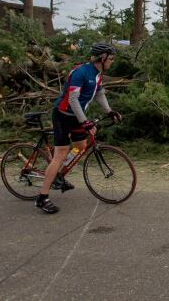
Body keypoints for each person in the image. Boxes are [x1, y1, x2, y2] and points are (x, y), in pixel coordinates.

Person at [34, 43, 122, 214]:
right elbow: (73, 100)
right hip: (63, 115)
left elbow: (99, 93)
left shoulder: (97, 74)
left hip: (76, 116)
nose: (112, 61)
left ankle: (58, 175)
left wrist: (110, 111)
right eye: (110, 58)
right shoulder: (80, 73)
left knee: (81, 146)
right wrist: (85, 121)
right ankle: (42, 197)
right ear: (102, 58)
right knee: (61, 153)